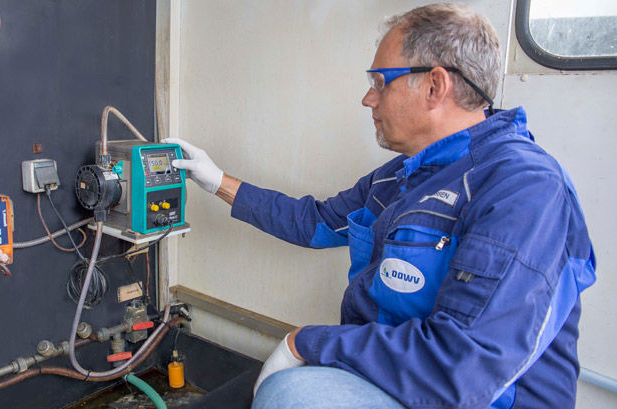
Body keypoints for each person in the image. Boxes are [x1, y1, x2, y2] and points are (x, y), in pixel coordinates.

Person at [164, 3, 596, 409]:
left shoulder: (524, 188)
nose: (368, 99)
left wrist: (304, 343)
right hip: (392, 375)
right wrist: (217, 181)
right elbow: (315, 222)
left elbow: (461, 367)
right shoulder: (399, 178)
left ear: (435, 85)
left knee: (292, 396)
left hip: (468, 397)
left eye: (379, 82)